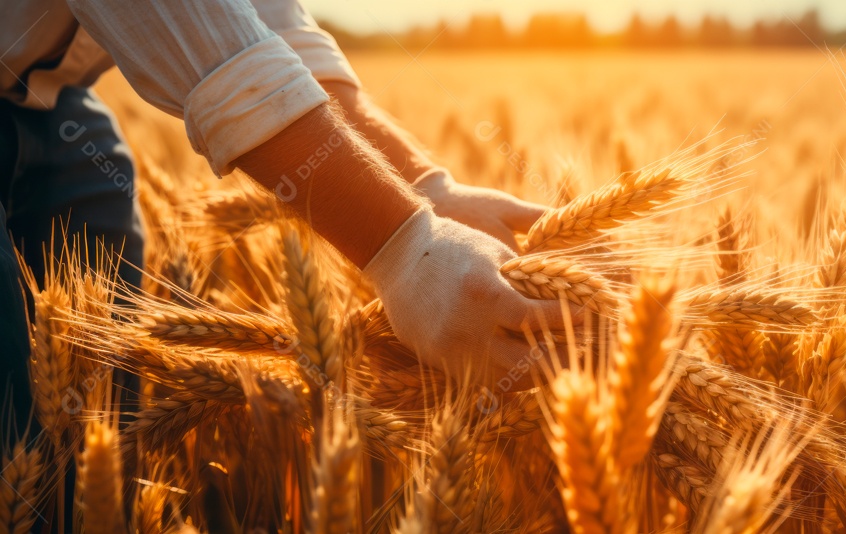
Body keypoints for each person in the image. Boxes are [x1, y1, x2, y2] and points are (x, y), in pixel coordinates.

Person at [0, 0, 563, 430]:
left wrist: (428, 188)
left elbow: (280, 43)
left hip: (48, 98)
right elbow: (214, 51)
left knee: (98, 418)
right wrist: (406, 247)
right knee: (15, 424)